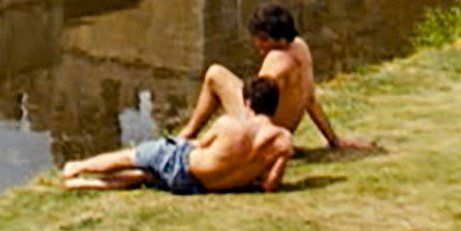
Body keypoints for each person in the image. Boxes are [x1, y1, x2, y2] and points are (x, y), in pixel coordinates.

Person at [176, 3, 369, 152]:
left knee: (214, 74)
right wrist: (333, 139)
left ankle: (186, 136)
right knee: (229, 81)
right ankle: (189, 136)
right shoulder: (302, 48)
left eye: (263, 40)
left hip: (266, 129)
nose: (258, 44)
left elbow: (257, 104)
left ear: (277, 38)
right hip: (284, 129)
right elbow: (310, 100)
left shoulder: (276, 60)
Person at [62, 75, 294, 193]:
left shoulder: (228, 125)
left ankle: (78, 168)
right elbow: (270, 185)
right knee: (145, 176)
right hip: (198, 187)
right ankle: (89, 184)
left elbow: (201, 145)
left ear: (248, 102)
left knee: (132, 156)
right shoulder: (283, 142)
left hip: (183, 165)